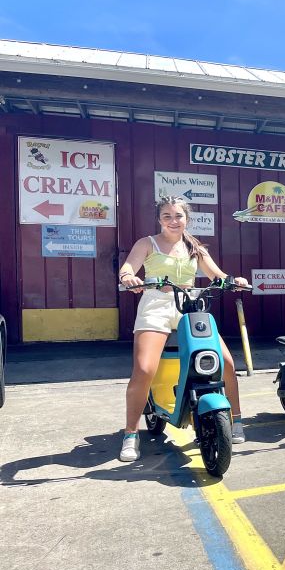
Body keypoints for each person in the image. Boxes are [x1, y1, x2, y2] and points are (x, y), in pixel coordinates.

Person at [117, 196, 250, 462]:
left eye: (178, 216)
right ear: (159, 219)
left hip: (189, 306)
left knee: (226, 363)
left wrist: (233, 281)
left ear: (186, 218)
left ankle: (235, 419)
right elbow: (128, 267)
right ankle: (131, 434)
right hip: (156, 306)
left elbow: (218, 275)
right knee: (144, 369)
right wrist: (129, 277)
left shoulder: (195, 248)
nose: (173, 221)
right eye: (167, 216)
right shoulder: (147, 243)